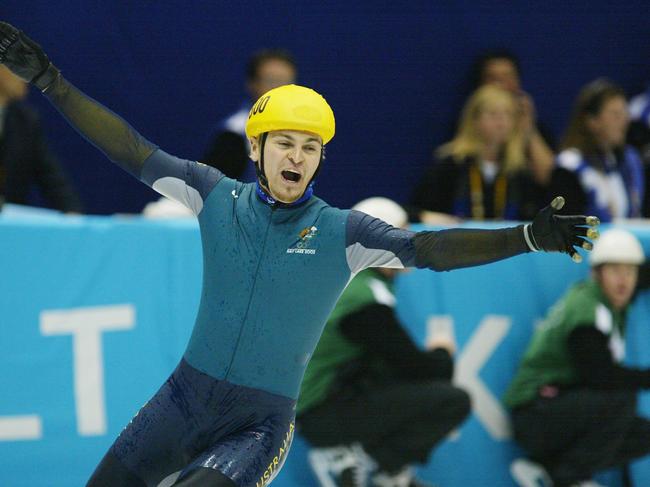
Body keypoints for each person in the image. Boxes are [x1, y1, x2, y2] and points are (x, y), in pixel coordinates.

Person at [0, 21, 599, 487]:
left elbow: (429, 249)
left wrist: (523, 236)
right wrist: (51, 81)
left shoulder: (343, 231)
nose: (296, 156)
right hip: (180, 402)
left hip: (257, 426)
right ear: (257, 148)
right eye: (284, 143)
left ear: (319, 159)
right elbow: (130, 148)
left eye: (309, 147)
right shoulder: (214, 195)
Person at [297, 197, 470, 487]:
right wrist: (442, 352)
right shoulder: (365, 298)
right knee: (452, 401)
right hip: (320, 414)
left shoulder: (349, 279)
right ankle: (372, 462)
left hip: (319, 404)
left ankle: (380, 465)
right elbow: (420, 368)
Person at [504, 228, 650, 487]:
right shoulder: (587, 310)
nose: (623, 280)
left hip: (560, 407)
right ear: (597, 273)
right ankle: (569, 478)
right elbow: (600, 377)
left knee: (643, 434)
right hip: (535, 412)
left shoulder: (607, 299)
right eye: (615, 271)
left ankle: (549, 471)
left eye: (629, 272)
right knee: (621, 398)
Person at [410, 85, 545, 224]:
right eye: (493, 114)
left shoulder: (519, 170)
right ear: (474, 120)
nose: (501, 122)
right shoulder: (451, 164)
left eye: (508, 115)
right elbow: (416, 210)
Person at [550, 79, 646, 222]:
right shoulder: (568, 167)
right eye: (615, 114)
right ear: (592, 121)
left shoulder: (628, 162)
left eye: (624, 113)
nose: (625, 120)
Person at [201, 48, 297, 181]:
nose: (279, 90)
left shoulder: (302, 133)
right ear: (252, 84)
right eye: (271, 81)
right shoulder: (234, 136)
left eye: (286, 83)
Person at [0, 64, 82, 211]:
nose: (26, 78)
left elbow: (52, 178)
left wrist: (73, 215)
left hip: (11, 229)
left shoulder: (25, 121)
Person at [468, 49, 555, 186]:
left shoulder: (533, 126)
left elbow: (550, 179)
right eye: (493, 78)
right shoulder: (469, 125)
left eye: (507, 77)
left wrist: (528, 129)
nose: (500, 85)